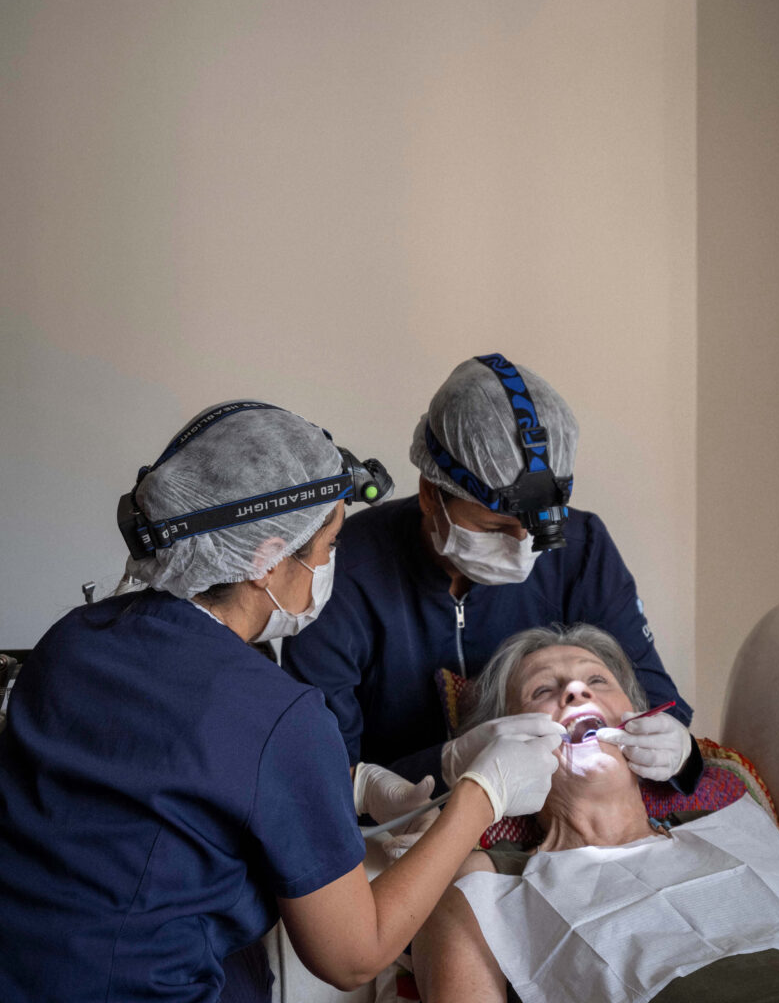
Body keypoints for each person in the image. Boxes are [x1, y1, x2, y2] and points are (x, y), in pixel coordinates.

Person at [0, 401, 563, 1003]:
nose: (328, 567)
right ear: (266, 559)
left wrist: (346, 782)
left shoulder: (75, 638)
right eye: (327, 545)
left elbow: (161, 769)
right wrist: (484, 794)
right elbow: (352, 957)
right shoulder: (278, 712)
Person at [283, 352, 702, 801]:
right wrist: (442, 769)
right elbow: (320, 771)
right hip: (405, 826)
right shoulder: (340, 569)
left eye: (539, 530)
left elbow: (650, 693)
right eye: (496, 528)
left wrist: (676, 748)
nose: (522, 548)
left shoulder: (582, 547)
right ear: (431, 494)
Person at [411, 624, 779, 1003]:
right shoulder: (479, 881)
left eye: (597, 681)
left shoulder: (737, 817)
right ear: (504, 740)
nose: (575, 690)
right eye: (542, 691)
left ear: (638, 718)